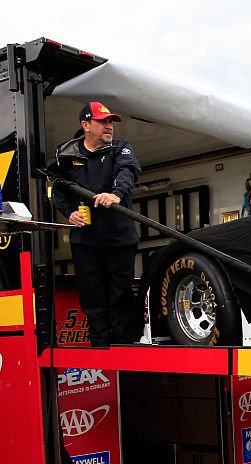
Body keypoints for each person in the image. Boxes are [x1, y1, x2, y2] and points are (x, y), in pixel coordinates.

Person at [50, 102, 142, 347]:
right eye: (103, 121)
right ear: (86, 125)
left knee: (121, 292)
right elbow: (56, 188)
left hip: (119, 237)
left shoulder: (120, 148)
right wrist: (69, 213)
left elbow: (128, 171)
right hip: (85, 240)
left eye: (110, 121)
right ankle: (99, 343)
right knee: (92, 294)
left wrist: (116, 194)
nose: (109, 126)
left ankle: (124, 343)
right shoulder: (66, 154)